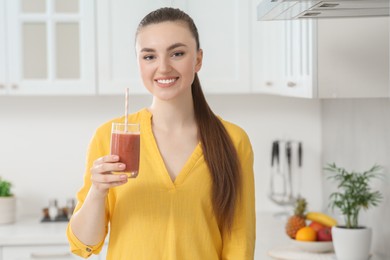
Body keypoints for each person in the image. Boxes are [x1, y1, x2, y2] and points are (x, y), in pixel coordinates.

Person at [67, 7, 256, 260]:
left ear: (198, 59)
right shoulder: (109, 137)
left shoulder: (234, 140)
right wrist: (97, 192)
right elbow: (84, 246)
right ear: (139, 63)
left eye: (177, 53)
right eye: (149, 57)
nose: (163, 67)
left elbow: (239, 242)